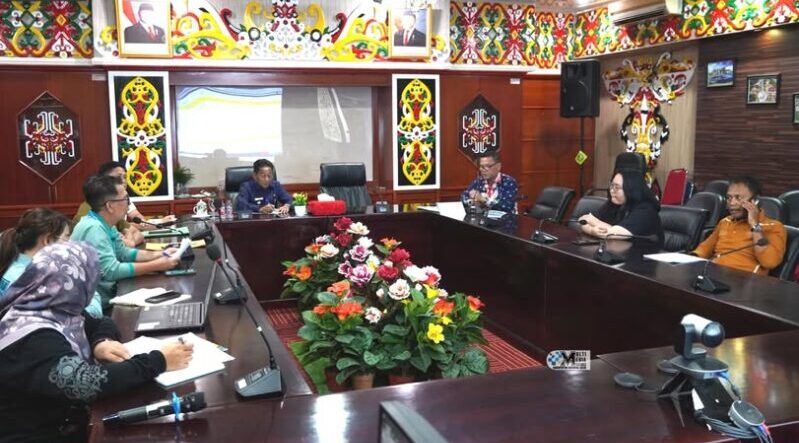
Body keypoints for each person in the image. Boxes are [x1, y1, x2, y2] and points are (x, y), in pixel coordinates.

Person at [0, 242, 193, 442]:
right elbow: (86, 384)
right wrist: (159, 361)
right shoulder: (33, 335)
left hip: (61, 422)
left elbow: (102, 322)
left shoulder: (52, 306)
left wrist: (101, 341)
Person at [71, 175, 179, 308]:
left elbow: (123, 253)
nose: (129, 204)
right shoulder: (93, 228)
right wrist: (157, 265)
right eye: (126, 199)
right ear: (110, 206)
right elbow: (111, 271)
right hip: (96, 305)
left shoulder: (106, 224)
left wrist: (160, 254)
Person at [693, 176, 786, 275]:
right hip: (713, 275)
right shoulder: (725, 222)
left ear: (755, 201)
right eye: (729, 198)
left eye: (738, 198)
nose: (732, 203)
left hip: (743, 280)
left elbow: (769, 262)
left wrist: (755, 226)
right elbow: (704, 249)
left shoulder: (774, 227)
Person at [579, 169, 664, 244]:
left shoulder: (646, 210)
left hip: (643, 255)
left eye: (617, 187)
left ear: (631, 189)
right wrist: (592, 231)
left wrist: (592, 221)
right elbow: (582, 221)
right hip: (618, 252)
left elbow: (613, 234)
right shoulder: (614, 203)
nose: (612, 191)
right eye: (612, 186)